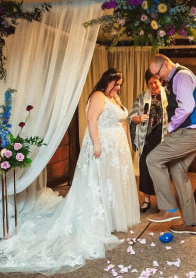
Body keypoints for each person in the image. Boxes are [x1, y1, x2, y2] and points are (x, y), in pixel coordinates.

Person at [0, 68, 140, 274]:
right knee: (100, 183)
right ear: (107, 81)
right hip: (103, 146)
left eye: (120, 84)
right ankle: (99, 220)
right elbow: (92, 121)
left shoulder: (114, 98)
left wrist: (126, 143)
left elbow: (122, 121)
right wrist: (97, 144)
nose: (118, 87)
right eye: (116, 83)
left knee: (112, 183)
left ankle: (112, 218)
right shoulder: (98, 96)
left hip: (117, 150)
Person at [146, 54, 196, 235]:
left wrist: (171, 127)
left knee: (153, 159)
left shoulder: (181, 76)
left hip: (191, 132)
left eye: (157, 74)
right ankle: (191, 223)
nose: (158, 79)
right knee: (178, 170)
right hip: (195, 133)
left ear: (165, 64)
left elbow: (187, 107)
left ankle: (168, 209)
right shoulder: (177, 77)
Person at [128, 69, 168, 213]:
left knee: (161, 169)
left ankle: (162, 200)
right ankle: (146, 200)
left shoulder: (167, 97)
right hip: (147, 139)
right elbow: (132, 117)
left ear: (161, 81)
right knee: (144, 166)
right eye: (150, 83)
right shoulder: (141, 98)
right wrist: (139, 119)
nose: (153, 86)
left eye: (155, 82)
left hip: (163, 139)